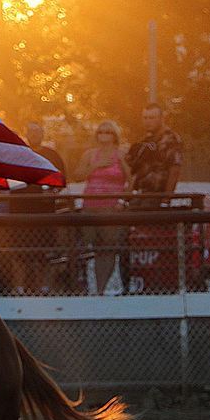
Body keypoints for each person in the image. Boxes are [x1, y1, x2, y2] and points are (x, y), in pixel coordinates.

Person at [5, 120, 67, 294]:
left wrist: (53, 193)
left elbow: (61, 180)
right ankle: (19, 288)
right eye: (31, 132)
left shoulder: (51, 155)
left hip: (43, 211)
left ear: (43, 133)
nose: (34, 135)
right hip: (19, 210)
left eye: (37, 131)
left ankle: (43, 288)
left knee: (43, 252)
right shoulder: (16, 154)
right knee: (19, 253)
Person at [75, 119, 130, 294]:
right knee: (88, 246)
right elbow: (77, 175)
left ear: (114, 135)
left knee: (107, 248)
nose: (103, 135)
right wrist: (95, 167)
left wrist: (122, 201)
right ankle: (83, 285)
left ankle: (102, 288)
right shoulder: (90, 154)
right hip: (90, 206)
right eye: (101, 132)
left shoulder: (121, 155)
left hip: (111, 208)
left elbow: (132, 179)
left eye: (108, 132)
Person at [126, 102, 182, 194]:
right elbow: (135, 171)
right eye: (145, 118)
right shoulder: (144, 141)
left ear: (161, 118)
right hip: (140, 194)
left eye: (152, 118)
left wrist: (166, 199)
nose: (147, 121)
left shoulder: (171, 139)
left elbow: (175, 170)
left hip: (157, 195)